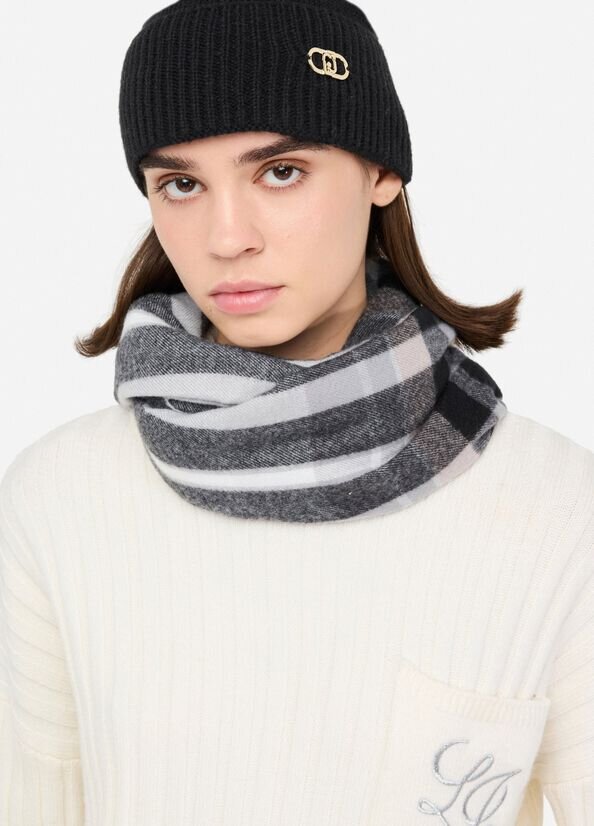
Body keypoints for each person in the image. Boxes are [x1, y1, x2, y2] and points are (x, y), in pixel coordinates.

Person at [0, 0, 592, 823]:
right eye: (181, 184)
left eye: (280, 171)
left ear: (381, 171)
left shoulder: (557, 506)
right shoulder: (58, 498)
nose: (227, 237)